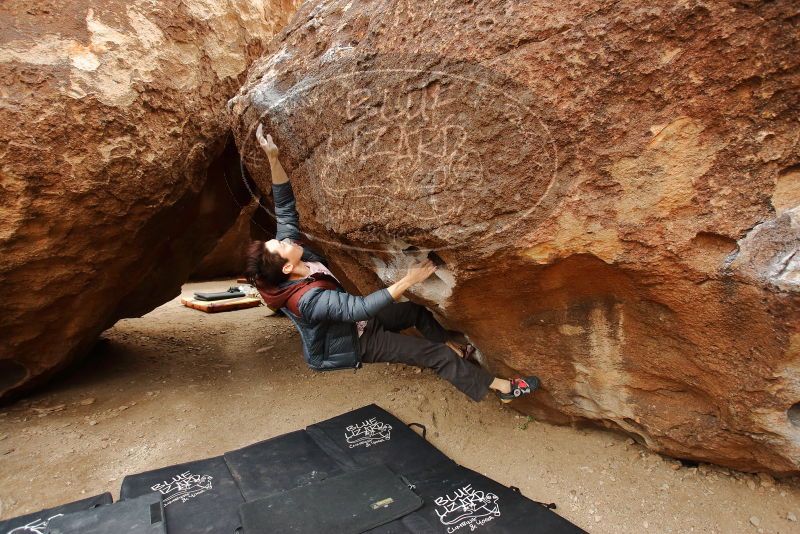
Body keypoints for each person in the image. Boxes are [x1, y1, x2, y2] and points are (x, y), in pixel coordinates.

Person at [244, 124, 539, 403]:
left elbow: (285, 209)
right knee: (434, 355)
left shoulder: (293, 257)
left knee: (415, 311)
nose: (286, 240)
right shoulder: (307, 301)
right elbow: (356, 309)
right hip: (356, 341)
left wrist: (273, 158)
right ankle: (502, 388)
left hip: (360, 322)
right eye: (281, 245)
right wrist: (410, 280)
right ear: (286, 268)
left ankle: (454, 347)